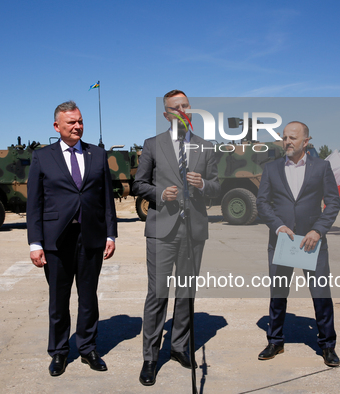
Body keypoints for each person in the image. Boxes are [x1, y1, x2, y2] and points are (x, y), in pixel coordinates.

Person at [133, 90, 220, 386]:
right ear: (166, 114)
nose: (183, 111)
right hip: (162, 230)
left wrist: (204, 184)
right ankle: (150, 357)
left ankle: (180, 347)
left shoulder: (205, 146)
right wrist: (159, 193)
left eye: (186, 106)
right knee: (158, 293)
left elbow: (217, 185)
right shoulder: (153, 145)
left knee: (186, 293)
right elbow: (138, 184)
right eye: (176, 108)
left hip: (193, 230)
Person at [26, 100, 118, 377]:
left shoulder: (97, 155)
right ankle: (59, 352)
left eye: (79, 121)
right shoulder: (43, 157)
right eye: (71, 122)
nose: (77, 126)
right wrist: (35, 242)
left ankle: (88, 347)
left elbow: (106, 199)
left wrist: (111, 233)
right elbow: (35, 203)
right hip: (57, 240)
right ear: (57, 126)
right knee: (59, 299)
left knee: (88, 297)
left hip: (91, 236)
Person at [255, 121, 340, 367]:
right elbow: (262, 203)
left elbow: (333, 203)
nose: (287, 142)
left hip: (312, 243)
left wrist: (318, 230)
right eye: (284, 137)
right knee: (278, 293)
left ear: (306, 141)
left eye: (292, 138)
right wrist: (278, 226)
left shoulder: (322, 167)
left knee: (321, 295)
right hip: (281, 241)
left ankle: (327, 346)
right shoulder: (271, 168)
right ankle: (275, 341)